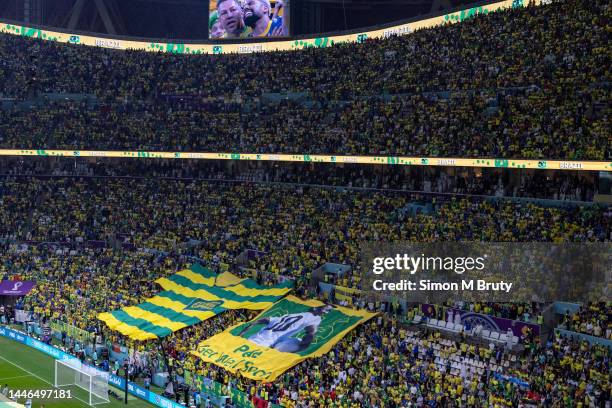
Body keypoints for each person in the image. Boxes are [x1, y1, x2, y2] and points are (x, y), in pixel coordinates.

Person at [238, 305, 333, 352]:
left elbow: (263, 320)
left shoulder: (286, 316)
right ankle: (275, 352)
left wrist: (246, 329)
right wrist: (304, 345)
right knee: (300, 342)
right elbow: (310, 334)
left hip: (251, 339)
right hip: (263, 346)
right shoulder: (315, 318)